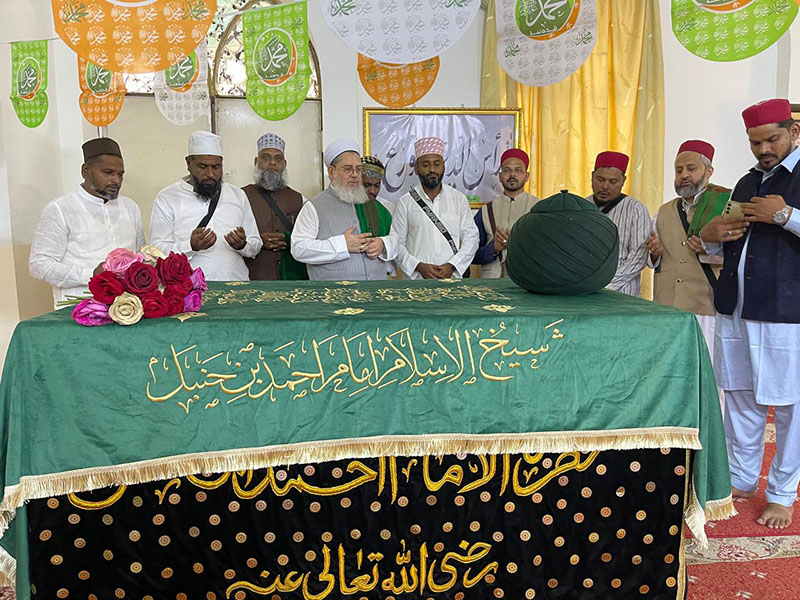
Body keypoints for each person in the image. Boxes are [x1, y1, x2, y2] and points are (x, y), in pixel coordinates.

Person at [699, 98, 800, 529]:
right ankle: (740, 477)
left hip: (785, 310)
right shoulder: (745, 182)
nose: (763, 150)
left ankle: (781, 493)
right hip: (736, 307)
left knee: (791, 403)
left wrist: (786, 215)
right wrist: (709, 236)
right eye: (755, 143)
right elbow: (727, 246)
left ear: (793, 132)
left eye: (772, 139)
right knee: (740, 396)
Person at [29, 138, 145, 308]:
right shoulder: (60, 209)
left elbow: (141, 254)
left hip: (127, 307)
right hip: (79, 309)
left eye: (120, 174)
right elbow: (39, 265)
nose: (116, 180)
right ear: (86, 171)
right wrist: (90, 274)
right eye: (108, 172)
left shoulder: (130, 207)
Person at [647, 140, 730, 357]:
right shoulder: (664, 210)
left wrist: (708, 251)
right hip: (667, 306)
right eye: (679, 170)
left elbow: (739, 256)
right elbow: (655, 258)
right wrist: (654, 253)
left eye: (691, 169)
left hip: (705, 306)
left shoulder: (726, 204)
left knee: (706, 368)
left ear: (708, 171)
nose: (684, 174)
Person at [149, 131, 261, 281]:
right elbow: (157, 250)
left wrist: (242, 245)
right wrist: (190, 245)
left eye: (216, 167)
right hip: (187, 290)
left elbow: (255, 244)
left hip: (235, 286)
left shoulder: (237, 195)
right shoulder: (167, 198)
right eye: (202, 166)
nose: (210, 174)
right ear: (188, 163)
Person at [290, 139, 396, 281]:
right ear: (331, 171)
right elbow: (299, 248)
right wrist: (342, 245)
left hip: (375, 295)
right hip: (333, 297)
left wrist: (383, 244)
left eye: (358, 169)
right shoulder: (314, 207)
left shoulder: (374, 206)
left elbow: (396, 240)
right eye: (347, 169)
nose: (354, 175)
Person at [391, 137, 479, 279]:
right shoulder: (404, 202)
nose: (432, 169)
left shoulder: (459, 199)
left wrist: (452, 266)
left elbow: (471, 238)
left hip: (451, 281)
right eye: (426, 165)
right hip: (417, 284)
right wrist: (419, 266)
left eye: (436, 164)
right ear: (416, 168)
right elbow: (396, 243)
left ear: (443, 166)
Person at [242, 133, 307, 280]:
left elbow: (310, 238)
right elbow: (230, 236)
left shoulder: (300, 199)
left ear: (284, 164)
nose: (272, 163)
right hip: (252, 279)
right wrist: (257, 241)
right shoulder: (240, 196)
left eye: (278, 158)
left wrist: (288, 239)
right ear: (256, 162)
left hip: (290, 280)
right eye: (265, 157)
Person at [586, 151, 650, 296]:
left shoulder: (635, 209)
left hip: (622, 293)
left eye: (613, 181)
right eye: (600, 179)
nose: (605, 186)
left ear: (623, 181)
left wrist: (608, 284)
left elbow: (639, 255)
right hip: (585, 292)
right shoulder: (581, 206)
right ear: (592, 177)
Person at [473, 148, 539, 277]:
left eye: (518, 170)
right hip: (492, 285)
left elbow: (549, 251)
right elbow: (471, 254)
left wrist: (518, 244)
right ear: (500, 176)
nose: (512, 174)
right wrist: (494, 248)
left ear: (527, 176)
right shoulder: (487, 210)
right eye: (507, 170)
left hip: (527, 283)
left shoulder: (539, 208)